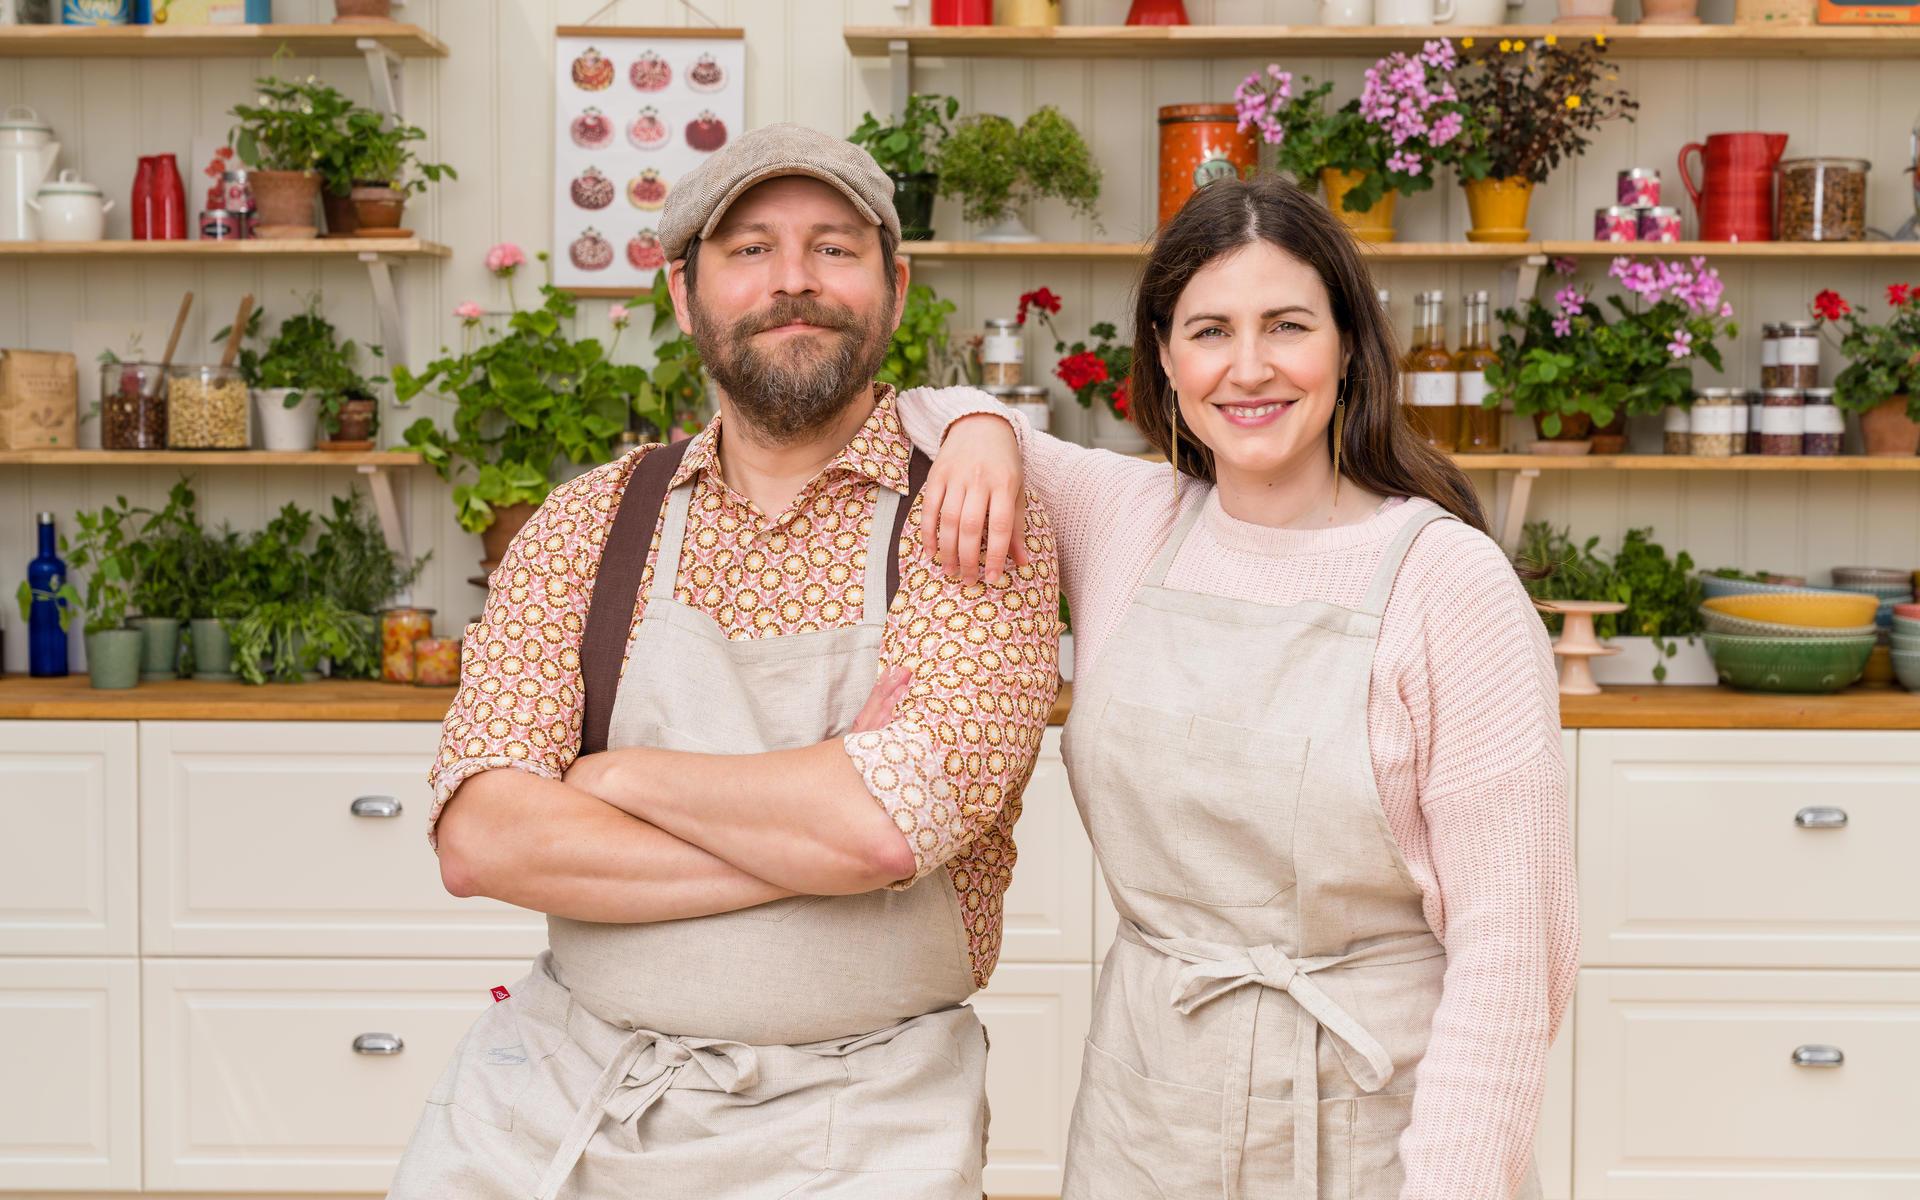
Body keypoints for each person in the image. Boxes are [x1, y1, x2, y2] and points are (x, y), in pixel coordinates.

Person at [387, 124, 1059, 1200]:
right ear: (683, 290)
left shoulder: (972, 519)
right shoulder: (584, 525)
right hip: (563, 1092)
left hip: (866, 1114)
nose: (793, 281)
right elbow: (481, 838)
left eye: (835, 248)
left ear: (896, 284)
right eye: (748, 250)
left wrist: (615, 780)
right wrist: (825, 837)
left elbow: (889, 822)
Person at [894, 174, 1577, 1199]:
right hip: (1146, 1114)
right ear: (1164, 358)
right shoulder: (1130, 515)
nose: (1248, 368)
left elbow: (1514, 950)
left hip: (1374, 1127)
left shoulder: (1448, 581)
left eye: (1288, 325)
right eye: (1210, 330)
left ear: (1349, 346)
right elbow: (919, 404)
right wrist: (983, 433)